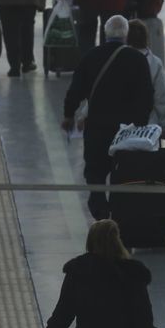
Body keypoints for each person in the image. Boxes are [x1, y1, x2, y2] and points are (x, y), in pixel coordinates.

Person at [61, 15, 154, 219]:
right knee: (122, 174)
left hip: (97, 128)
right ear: (126, 35)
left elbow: (75, 89)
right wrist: (140, 124)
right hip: (126, 131)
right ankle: (119, 216)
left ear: (105, 34)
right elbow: (146, 97)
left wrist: (68, 115)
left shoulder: (91, 56)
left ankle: (100, 213)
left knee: (95, 173)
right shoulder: (138, 60)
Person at [127, 20, 165, 135]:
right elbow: (162, 96)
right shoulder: (155, 63)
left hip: (122, 127)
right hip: (149, 128)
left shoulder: (119, 61)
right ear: (146, 38)